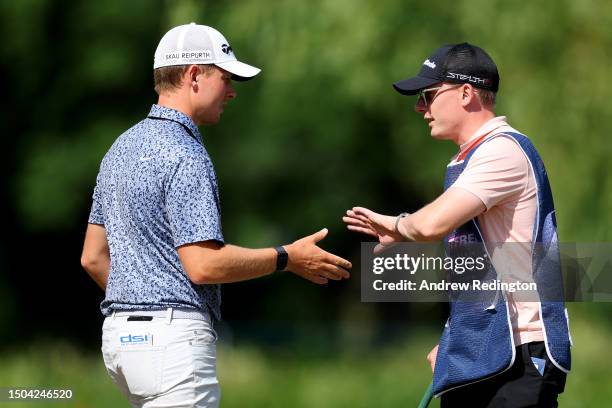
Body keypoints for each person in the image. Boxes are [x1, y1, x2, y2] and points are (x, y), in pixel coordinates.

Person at [80, 23, 351, 408]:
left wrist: (140, 305)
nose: (231, 91)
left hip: (120, 343)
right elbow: (203, 265)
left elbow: (93, 258)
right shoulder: (187, 153)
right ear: (194, 76)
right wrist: (286, 257)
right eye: (224, 78)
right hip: (173, 347)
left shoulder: (119, 149)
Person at [343, 43, 570, 407]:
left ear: (466, 93)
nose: (420, 107)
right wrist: (459, 338)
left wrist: (398, 226)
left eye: (428, 95)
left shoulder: (501, 151)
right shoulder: (471, 159)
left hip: (520, 356)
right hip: (489, 355)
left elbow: (432, 223)